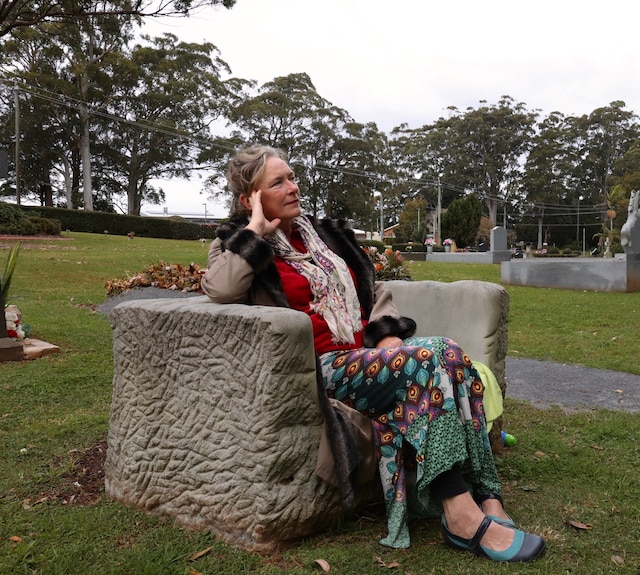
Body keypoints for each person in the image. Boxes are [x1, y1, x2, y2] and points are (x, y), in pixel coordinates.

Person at [201, 144, 545, 562]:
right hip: (322, 368)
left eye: (292, 177)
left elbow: (373, 289)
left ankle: (487, 496)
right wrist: (256, 229)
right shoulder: (235, 245)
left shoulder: (325, 236)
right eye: (278, 182)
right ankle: (460, 515)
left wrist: (387, 339)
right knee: (421, 365)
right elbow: (220, 289)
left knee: (449, 353)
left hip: (366, 356)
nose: (293, 187)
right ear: (248, 198)